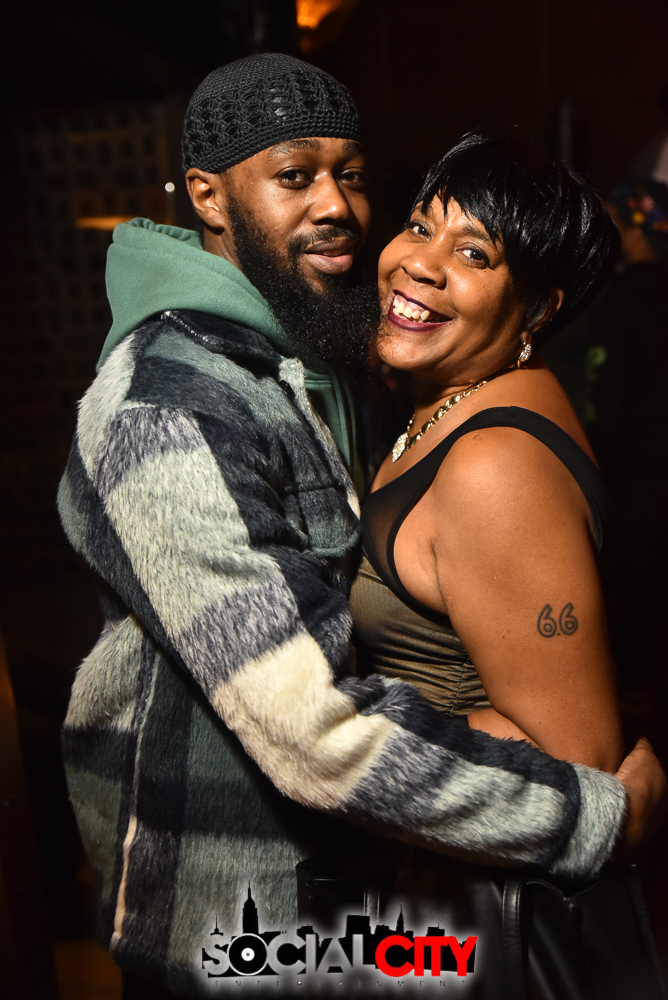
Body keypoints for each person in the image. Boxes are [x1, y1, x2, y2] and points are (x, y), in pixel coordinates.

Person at [57, 59, 664, 998]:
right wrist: (595, 815)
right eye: (295, 174)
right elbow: (315, 726)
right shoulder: (169, 406)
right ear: (209, 198)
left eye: (352, 174)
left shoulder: (323, 361)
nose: (338, 204)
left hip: (349, 911)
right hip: (229, 915)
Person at [350, 135, 666, 996]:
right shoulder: (451, 404)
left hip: (491, 928)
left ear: (536, 310)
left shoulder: (495, 466)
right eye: (422, 226)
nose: (421, 264)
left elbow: (579, 763)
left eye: (475, 254)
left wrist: (335, 736)